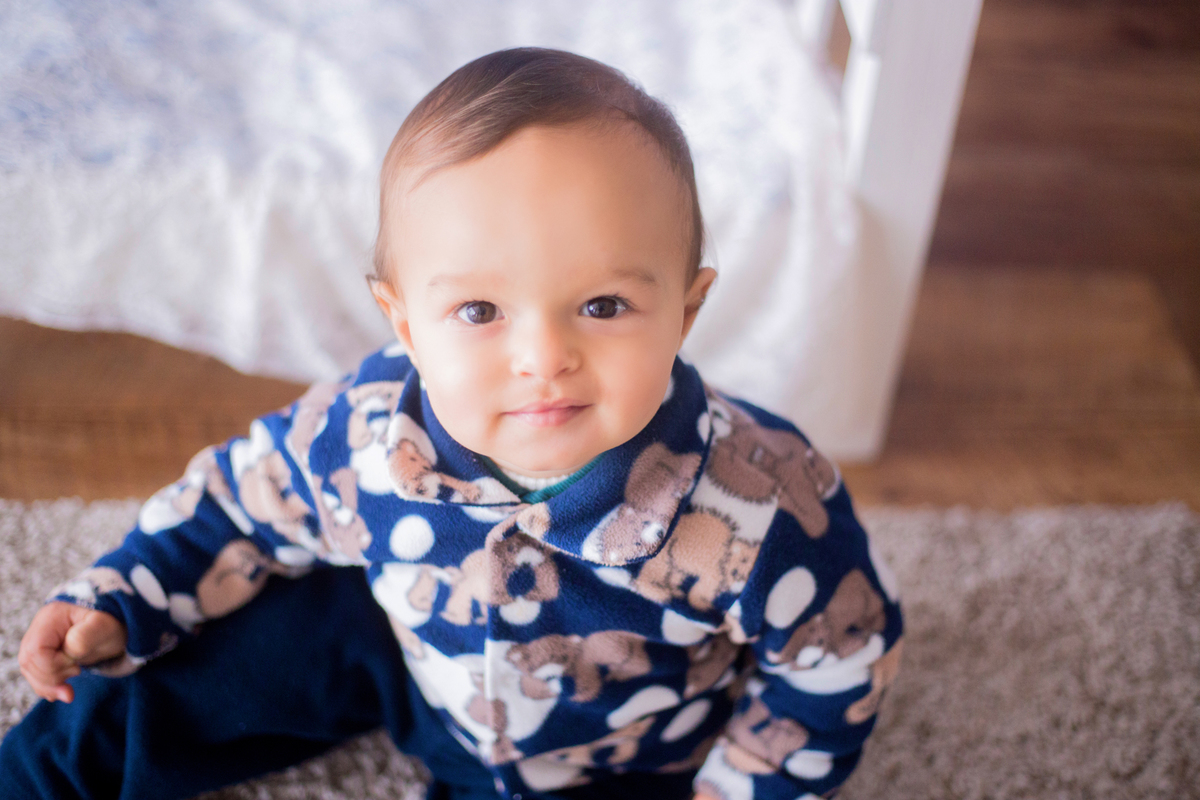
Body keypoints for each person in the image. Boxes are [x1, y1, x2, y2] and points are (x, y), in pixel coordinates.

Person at [4, 47, 903, 800]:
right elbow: (239, 499)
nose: (542, 357)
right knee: (202, 663)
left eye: (602, 305)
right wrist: (123, 591)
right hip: (408, 655)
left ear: (685, 310)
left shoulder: (761, 502)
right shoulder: (367, 431)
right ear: (403, 325)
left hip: (618, 755)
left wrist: (741, 786)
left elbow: (842, 657)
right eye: (479, 311)